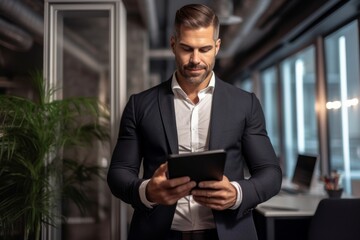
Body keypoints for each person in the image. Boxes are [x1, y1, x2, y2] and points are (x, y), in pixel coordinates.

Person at [107, 3, 282, 240]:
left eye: (205, 49)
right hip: (159, 234)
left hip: (228, 234)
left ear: (217, 47)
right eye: (187, 48)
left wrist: (237, 193)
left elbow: (270, 173)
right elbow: (118, 173)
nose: (195, 59)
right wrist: (147, 191)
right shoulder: (140, 105)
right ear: (173, 44)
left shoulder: (245, 103)